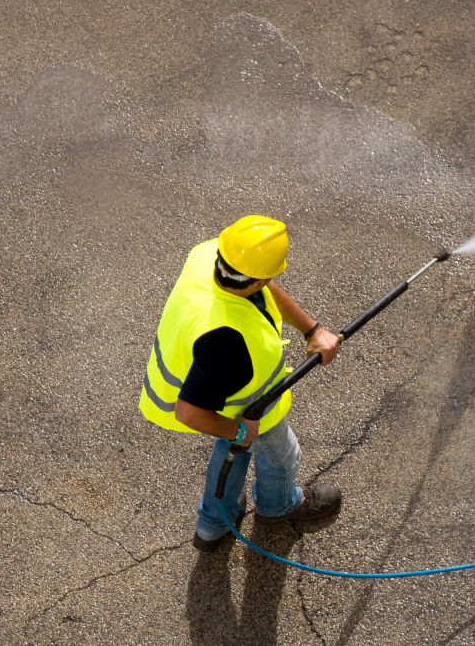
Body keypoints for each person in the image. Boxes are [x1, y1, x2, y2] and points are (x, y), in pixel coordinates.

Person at [139, 215, 343, 552]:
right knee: (280, 455)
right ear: (259, 278)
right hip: (241, 408)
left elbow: (265, 289)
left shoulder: (209, 255)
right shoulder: (223, 340)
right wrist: (237, 431)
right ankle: (279, 506)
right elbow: (189, 412)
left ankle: (212, 525)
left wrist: (312, 329)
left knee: (233, 453)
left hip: (223, 397)